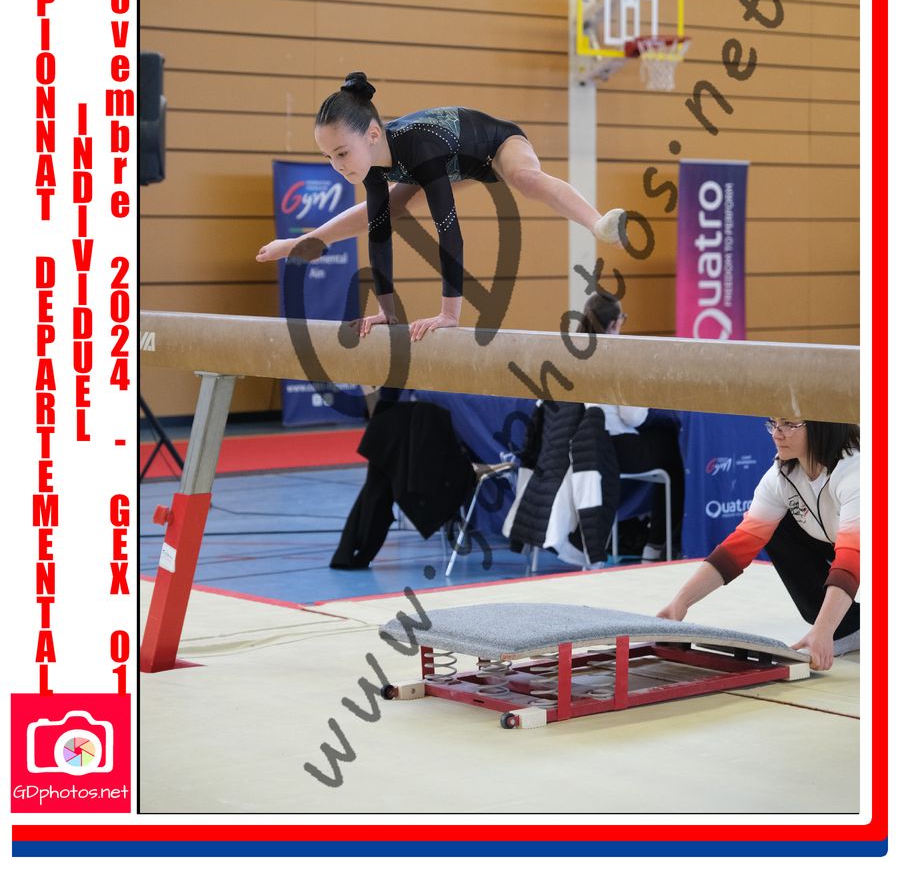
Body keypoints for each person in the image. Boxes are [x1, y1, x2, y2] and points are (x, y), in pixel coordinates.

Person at [256, 72, 625, 339]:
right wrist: (387, 311)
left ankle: (598, 224)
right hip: (455, 164)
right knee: (383, 211)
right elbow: (379, 236)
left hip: (496, 145)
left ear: (372, 135)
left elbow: (449, 233)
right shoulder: (373, 164)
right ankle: (303, 242)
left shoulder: (419, 148)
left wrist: (449, 313)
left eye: (341, 153)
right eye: (328, 157)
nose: (337, 166)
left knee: (524, 178)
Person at [657, 418, 860, 671]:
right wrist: (680, 603)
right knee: (774, 525)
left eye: (789, 424)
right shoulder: (781, 475)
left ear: (822, 424)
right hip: (845, 543)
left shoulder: (856, 471)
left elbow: (851, 559)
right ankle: (850, 626)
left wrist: (823, 630)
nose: (777, 433)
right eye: (773, 423)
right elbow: (738, 548)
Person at [579, 290, 686, 560]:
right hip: (616, 449)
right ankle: (657, 543)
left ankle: (654, 540)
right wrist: (668, 415)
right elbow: (633, 417)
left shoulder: (573, 351)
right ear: (615, 323)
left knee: (663, 442)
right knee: (675, 450)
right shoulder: (617, 355)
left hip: (583, 449)